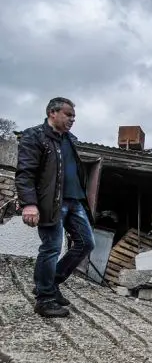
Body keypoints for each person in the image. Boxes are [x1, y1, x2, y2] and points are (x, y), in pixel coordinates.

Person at [15, 97, 95, 318]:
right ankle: (45, 300)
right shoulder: (35, 136)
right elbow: (25, 173)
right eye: (68, 115)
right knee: (51, 248)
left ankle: (49, 284)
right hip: (51, 203)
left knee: (86, 243)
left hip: (75, 201)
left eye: (74, 116)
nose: (72, 119)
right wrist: (29, 204)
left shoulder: (70, 140)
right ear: (53, 112)